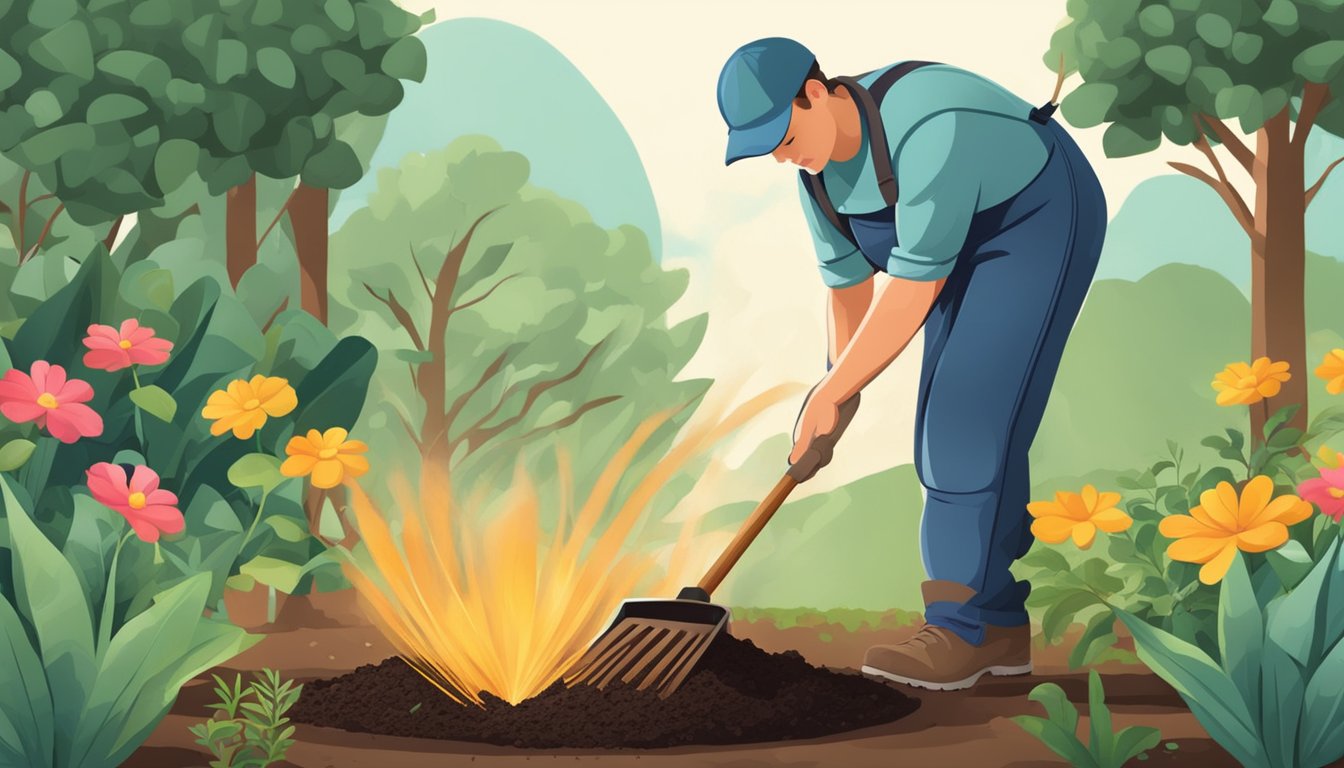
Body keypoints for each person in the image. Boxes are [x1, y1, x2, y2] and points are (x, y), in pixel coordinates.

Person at [716, 37, 1107, 691]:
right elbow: (848, 290)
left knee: (963, 415)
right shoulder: (817, 182)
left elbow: (912, 289)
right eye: (772, 148)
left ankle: (960, 629)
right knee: (957, 419)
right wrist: (836, 392)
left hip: (1036, 215)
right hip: (954, 241)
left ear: (814, 92)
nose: (784, 155)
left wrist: (836, 387)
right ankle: (997, 624)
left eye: (783, 135)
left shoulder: (929, 128)